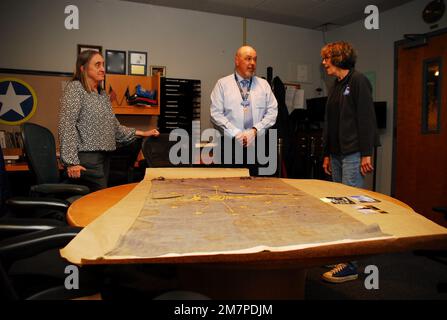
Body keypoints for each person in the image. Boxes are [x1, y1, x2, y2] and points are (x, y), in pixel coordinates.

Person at [58, 50, 159, 192]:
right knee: (98, 203)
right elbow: (66, 125)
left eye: (103, 65)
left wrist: (142, 132)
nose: (103, 69)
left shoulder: (102, 94)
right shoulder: (76, 88)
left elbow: (115, 128)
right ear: (83, 68)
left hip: (105, 158)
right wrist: (71, 162)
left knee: (103, 199)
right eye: (97, 65)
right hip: (87, 159)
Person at [320, 41, 379, 283]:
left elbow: (366, 118)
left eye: (327, 58)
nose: (324, 63)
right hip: (336, 154)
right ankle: (342, 255)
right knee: (339, 207)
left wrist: (367, 152)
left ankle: (351, 264)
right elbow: (330, 123)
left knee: (351, 207)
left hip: (354, 153)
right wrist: (326, 153)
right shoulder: (336, 86)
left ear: (339, 57)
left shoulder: (358, 81)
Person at [210, 45, 278, 175]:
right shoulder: (222, 84)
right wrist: (236, 133)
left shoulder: (264, 85)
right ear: (237, 60)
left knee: (259, 188)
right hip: (230, 145)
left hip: (258, 145)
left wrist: (254, 130)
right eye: (248, 59)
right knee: (229, 188)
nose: (252, 63)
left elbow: (272, 112)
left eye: (254, 59)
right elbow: (215, 114)